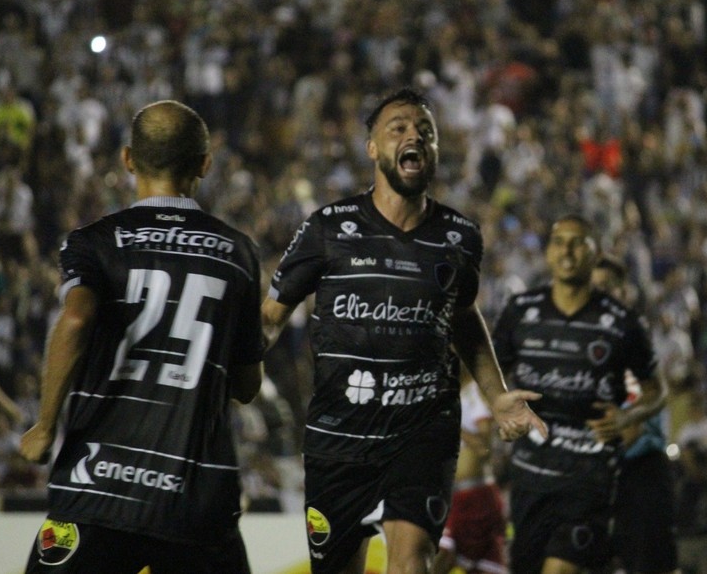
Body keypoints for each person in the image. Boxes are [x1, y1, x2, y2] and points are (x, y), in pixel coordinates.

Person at [260, 88, 546, 574]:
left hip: (422, 428)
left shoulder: (460, 237)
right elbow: (269, 318)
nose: (414, 135)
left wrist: (496, 395)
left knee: (412, 562)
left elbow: (462, 316)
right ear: (372, 148)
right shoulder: (328, 227)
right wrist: (228, 369)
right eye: (399, 128)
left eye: (425, 132)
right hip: (339, 433)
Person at [19, 100, 265, 574]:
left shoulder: (93, 242)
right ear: (205, 165)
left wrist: (46, 424)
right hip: (195, 498)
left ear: (128, 159)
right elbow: (246, 386)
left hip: (100, 487)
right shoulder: (239, 252)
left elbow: (75, 320)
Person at [492, 214, 668, 574]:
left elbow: (657, 389)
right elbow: (489, 369)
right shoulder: (521, 312)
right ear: (548, 253)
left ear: (595, 252)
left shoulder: (622, 322)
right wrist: (501, 406)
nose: (567, 251)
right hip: (529, 479)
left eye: (578, 242)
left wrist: (628, 416)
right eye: (559, 242)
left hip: (588, 481)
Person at [591, 255, 680, 574]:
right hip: (607, 475)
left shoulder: (632, 339)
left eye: (608, 287)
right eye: (595, 287)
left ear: (624, 292)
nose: (601, 294)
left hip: (642, 473)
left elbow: (630, 429)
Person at [431, 373, 507, 574]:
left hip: (474, 496)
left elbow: (485, 448)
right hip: (449, 496)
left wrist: (451, 422)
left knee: (438, 560)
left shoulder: (477, 390)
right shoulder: (441, 387)